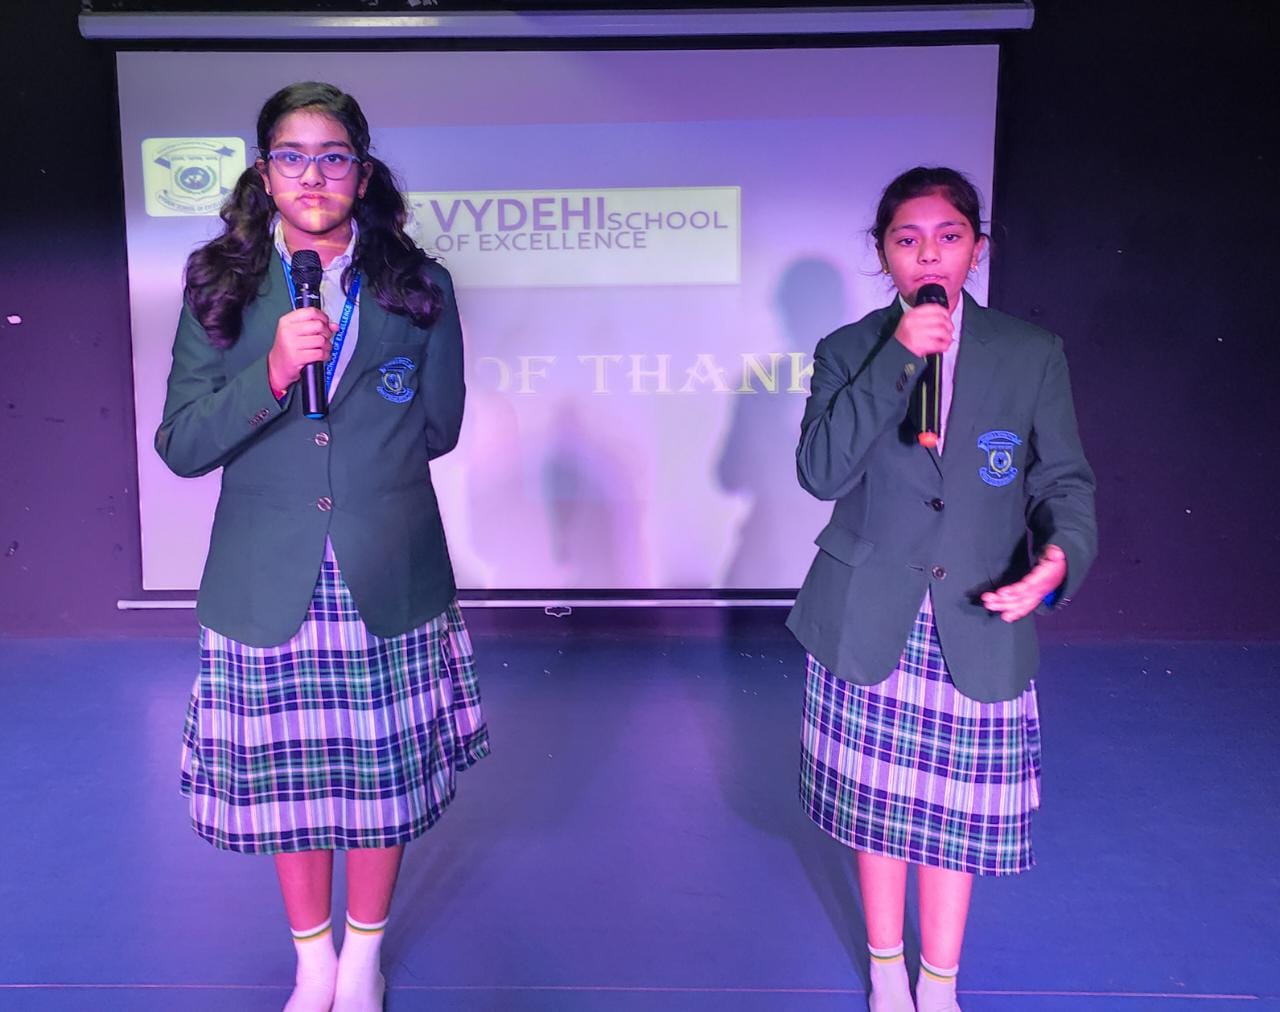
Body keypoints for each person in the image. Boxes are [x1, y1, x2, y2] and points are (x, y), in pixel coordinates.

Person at [156, 81, 489, 1012]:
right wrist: (272, 372)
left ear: (363, 173)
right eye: (293, 157)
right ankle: (312, 964)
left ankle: (363, 958)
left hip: (388, 565)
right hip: (267, 575)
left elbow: (439, 425)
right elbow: (181, 442)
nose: (314, 175)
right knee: (291, 789)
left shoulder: (420, 285)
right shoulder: (219, 282)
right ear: (264, 173)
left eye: (334, 156)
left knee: (382, 782)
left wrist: (362, 467)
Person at [786, 166, 1096, 1012]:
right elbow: (820, 472)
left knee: (956, 818)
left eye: (948, 236)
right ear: (884, 253)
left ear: (977, 249)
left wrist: (1057, 560)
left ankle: (940, 981)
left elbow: (1063, 483)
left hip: (974, 615)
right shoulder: (849, 350)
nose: (929, 253)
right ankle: (887, 970)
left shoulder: (1030, 354)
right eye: (908, 238)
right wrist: (899, 355)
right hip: (868, 613)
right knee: (876, 811)